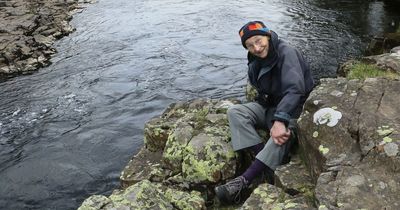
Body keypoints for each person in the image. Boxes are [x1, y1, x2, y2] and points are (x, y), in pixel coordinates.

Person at [214, 21, 315, 204]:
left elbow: (295, 90)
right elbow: (262, 90)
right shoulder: (255, 60)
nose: (257, 48)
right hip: (271, 106)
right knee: (235, 112)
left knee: (280, 135)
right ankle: (263, 164)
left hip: (295, 109)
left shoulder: (286, 52)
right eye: (250, 45)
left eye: (259, 40)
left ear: (267, 35)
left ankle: (244, 181)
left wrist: (280, 120)